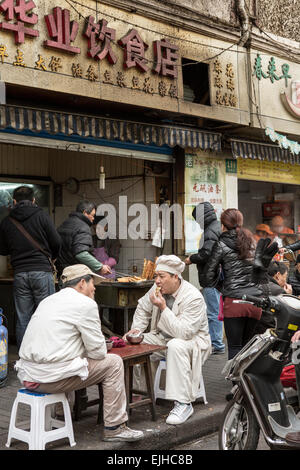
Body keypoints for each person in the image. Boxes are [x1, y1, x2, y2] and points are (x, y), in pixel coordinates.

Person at [15, 264, 144, 442]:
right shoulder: (86, 304)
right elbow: (98, 352)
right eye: (93, 284)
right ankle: (115, 427)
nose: (94, 288)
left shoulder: (48, 300)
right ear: (82, 283)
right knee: (113, 363)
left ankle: (60, 417)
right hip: (50, 379)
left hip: (28, 375)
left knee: (69, 358)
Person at [124, 255, 211, 426]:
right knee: (129, 342)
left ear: (175, 277)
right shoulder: (156, 288)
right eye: (156, 276)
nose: (157, 281)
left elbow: (184, 333)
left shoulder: (193, 297)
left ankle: (183, 404)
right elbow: (143, 308)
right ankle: (135, 392)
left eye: (161, 276)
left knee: (175, 345)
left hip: (192, 341)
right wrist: (137, 330)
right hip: (162, 336)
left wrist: (163, 307)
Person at [0, 185, 61, 348]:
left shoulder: (7, 221)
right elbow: (56, 241)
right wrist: (52, 258)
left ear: (14, 201)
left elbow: (2, 249)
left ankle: (24, 358)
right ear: (34, 200)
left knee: (23, 318)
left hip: (20, 273)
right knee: (46, 315)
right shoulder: (42, 216)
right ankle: (46, 353)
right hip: (41, 271)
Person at [203, 208, 262, 360]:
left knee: (235, 346)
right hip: (256, 302)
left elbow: (207, 276)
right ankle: (248, 381)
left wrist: (222, 287)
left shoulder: (221, 244)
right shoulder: (252, 242)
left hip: (234, 302)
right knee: (248, 345)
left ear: (223, 226)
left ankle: (236, 382)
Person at [185, 202, 225, 354]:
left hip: (211, 276)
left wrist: (191, 259)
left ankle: (217, 345)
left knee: (213, 312)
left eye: (197, 219)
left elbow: (206, 253)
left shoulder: (210, 232)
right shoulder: (217, 227)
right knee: (216, 311)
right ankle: (216, 342)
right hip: (217, 276)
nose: (197, 223)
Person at [56, 201, 111, 278]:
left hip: (62, 273)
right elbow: (81, 254)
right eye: (92, 215)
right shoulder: (82, 227)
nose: (93, 218)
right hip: (75, 274)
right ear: (85, 213)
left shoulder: (65, 224)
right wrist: (100, 267)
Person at [92, 215, 121, 280]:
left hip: (108, 275)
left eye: (99, 229)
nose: (97, 231)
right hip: (94, 274)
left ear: (106, 227)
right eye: (95, 229)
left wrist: (100, 266)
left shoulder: (112, 239)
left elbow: (114, 259)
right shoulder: (91, 239)